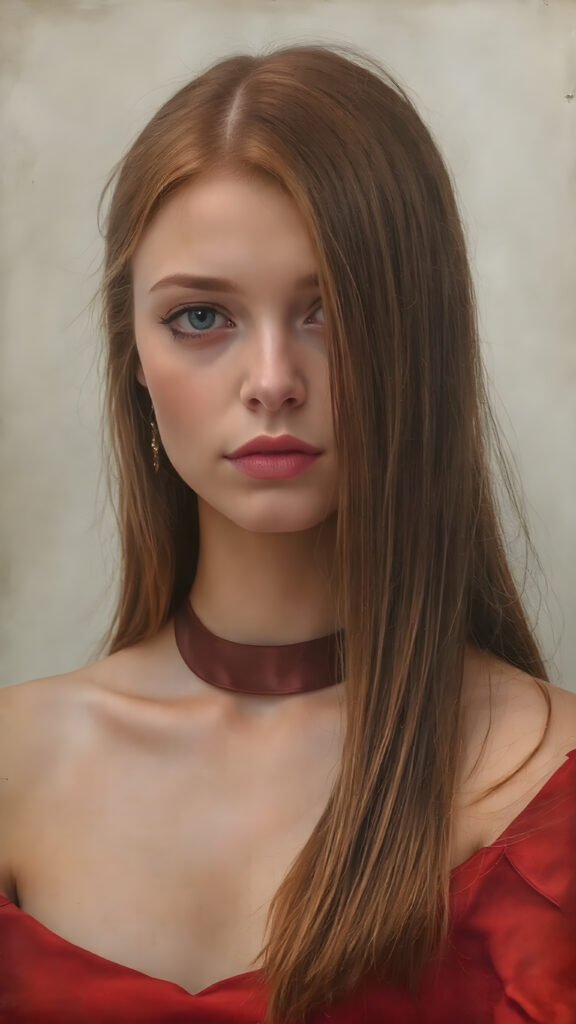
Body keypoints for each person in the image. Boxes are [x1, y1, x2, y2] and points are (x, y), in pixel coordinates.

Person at [0, 41, 574, 1024]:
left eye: (330, 311)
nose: (272, 380)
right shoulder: (15, 761)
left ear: (419, 340)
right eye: (201, 317)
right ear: (131, 352)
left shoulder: (549, 790)